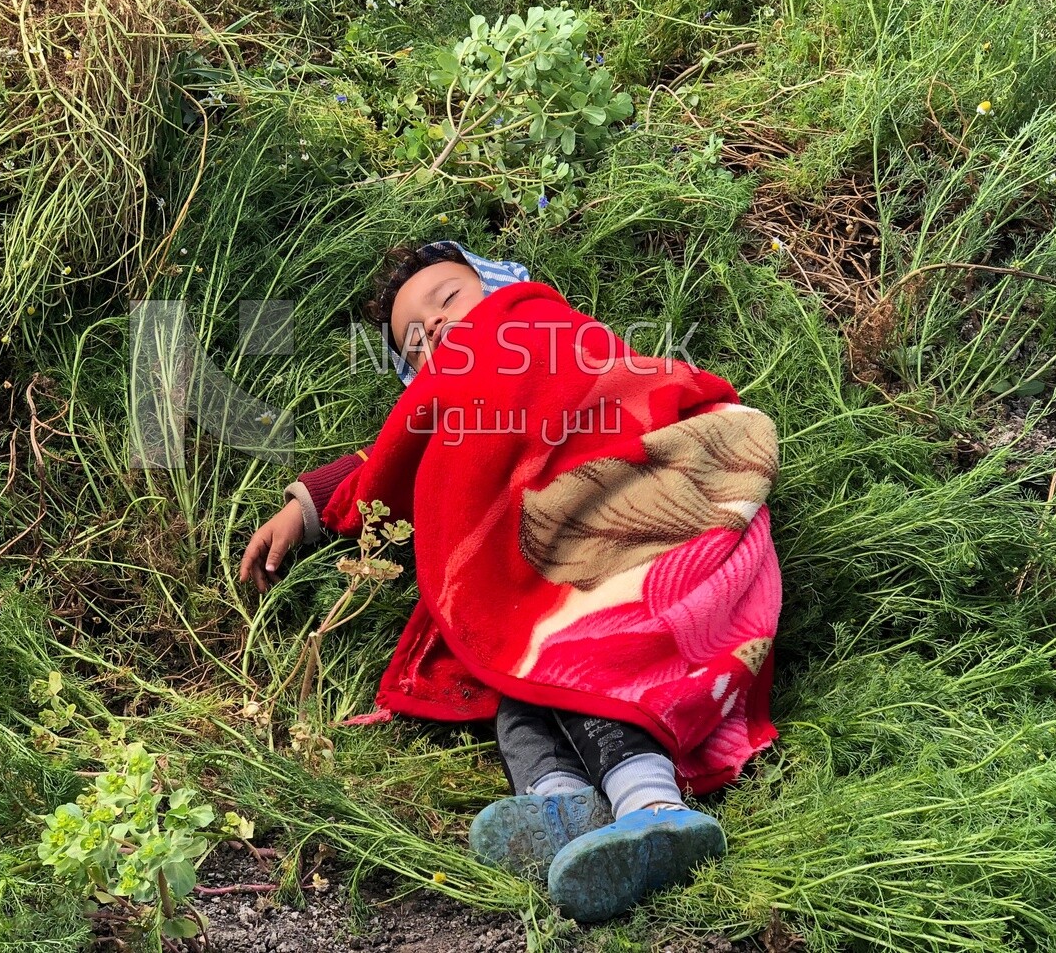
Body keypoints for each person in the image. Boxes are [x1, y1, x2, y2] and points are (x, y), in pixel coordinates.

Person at [237, 240, 781, 923]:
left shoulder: (535, 324)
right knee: (518, 669)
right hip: (534, 567)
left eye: (447, 300)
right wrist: (306, 504)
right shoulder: (446, 401)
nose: (434, 328)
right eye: (414, 342)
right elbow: (395, 455)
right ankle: (561, 803)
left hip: (636, 507)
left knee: (578, 646)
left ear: (500, 289)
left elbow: (626, 383)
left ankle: (653, 806)